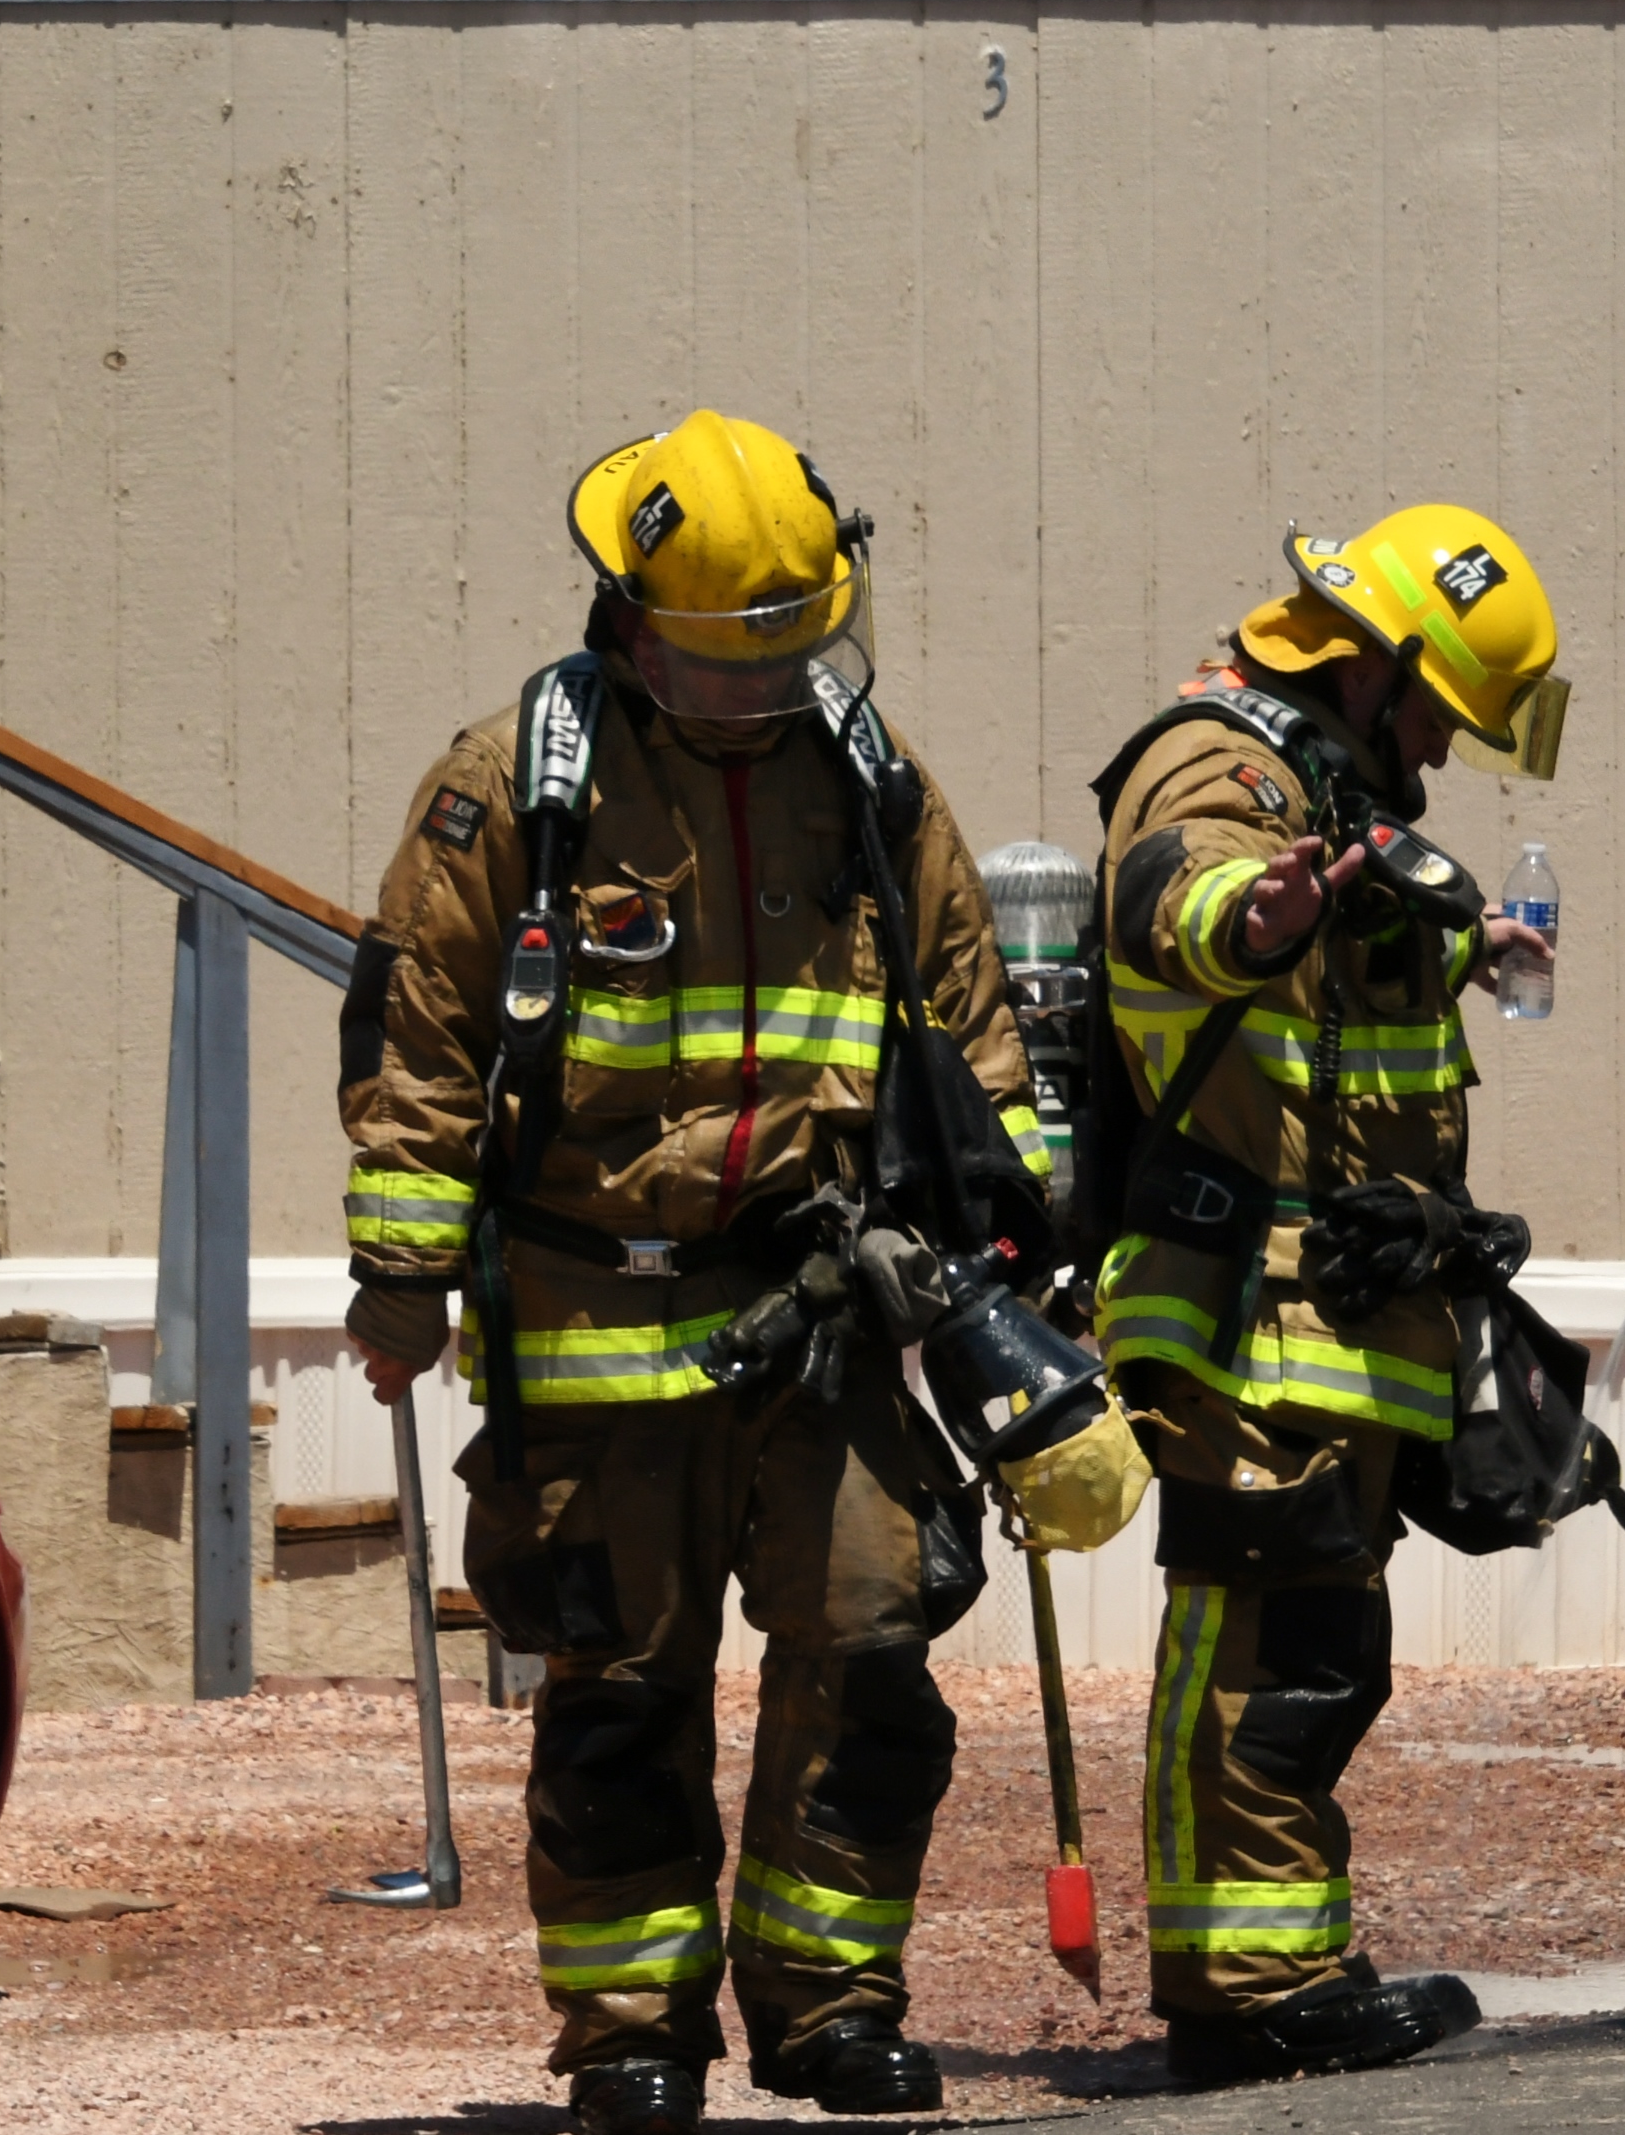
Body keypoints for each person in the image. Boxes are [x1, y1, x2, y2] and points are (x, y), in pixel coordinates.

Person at [342, 411, 1048, 2135]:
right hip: (595, 1318)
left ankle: (831, 2005)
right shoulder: (518, 784)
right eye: (730, 656)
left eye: (792, 649)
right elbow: (420, 1037)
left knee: (870, 1655)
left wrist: (1012, 1248)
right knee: (620, 1694)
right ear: (631, 621)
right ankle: (628, 2036)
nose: (764, 686)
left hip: (826, 1305)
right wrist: (402, 1269)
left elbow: (967, 1024)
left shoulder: (867, 776)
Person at [1088, 505, 1560, 2083]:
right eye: (1440, 710)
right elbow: (1177, 894)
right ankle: (1242, 1990)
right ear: (1373, 667)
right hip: (1250, 1312)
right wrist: (1248, 916)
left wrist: (1455, 942)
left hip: (1336, 1313)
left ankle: (1276, 1961)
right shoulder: (1224, 766)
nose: (1443, 745)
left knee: (1316, 1650)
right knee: (1261, 1644)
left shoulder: (1332, 784)